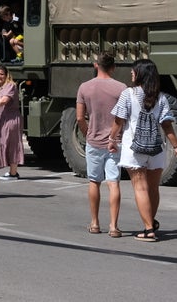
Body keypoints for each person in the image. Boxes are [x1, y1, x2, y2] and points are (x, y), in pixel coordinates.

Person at [108, 58, 177, 242]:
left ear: (141, 74)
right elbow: (167, 125)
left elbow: (119, 120)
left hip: (134, 148)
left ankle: (148, 230)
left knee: (140, 187)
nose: (131, 73)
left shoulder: (128, 94)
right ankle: (150, 222)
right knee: (153, 188)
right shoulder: (161, 97)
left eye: (133, 71)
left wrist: (112, 139)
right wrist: (176, 146)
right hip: (156, 149)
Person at [76, 52, 126, 237]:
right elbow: (123, 117)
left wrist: (87, 132)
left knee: (94, 181)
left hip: (94, 141)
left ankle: (95, 223)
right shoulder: (121, 88)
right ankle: (114, 226)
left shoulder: (84, 87)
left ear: (96, 65)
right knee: (113, 183)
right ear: (113, 67)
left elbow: (80, 117)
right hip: (115, 142)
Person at [0, 64, 24, 181]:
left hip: (11, 120)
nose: (0, 76)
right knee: (3, 143)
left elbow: (4, 101)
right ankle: (12, 171)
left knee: (12, 144)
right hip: (2, 120)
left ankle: (13, 173)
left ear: (6, 75)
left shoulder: (10, 86)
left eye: (2, 74)